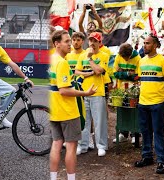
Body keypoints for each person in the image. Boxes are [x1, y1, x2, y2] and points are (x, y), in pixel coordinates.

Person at [49, 29, 96, 180]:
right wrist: (85, 93)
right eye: (67, 41)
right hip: (67, 111)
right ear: (57, 44)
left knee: (56, 144)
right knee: (71, 147)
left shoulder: (51, 59)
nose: (70, 44)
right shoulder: (62, 63)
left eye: (70, 41)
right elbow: (64, 90)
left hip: (54, 110)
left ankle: (53, 177)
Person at [134, 34, 164, 174]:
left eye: (148, 43)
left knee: (158, 131)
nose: (145, 45)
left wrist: (162, 96)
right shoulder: (142, 61)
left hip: (157, 102)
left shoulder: (163, 61)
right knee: (145, 131)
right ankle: (147, 156)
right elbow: (141, 80)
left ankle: (161, 160)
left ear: (155, 45)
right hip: (143, 102)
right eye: (144, 43)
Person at [75, 32, 109, 157]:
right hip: (83, 92)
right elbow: (77, 71)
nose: (92, 43)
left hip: (97, 92)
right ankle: (82, 145)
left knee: (99, 121)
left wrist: (90, 59)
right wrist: (89, 73)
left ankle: (101, 145)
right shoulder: (82, 55)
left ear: (100, 43)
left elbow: (99, 71)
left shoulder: (104, 55)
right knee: (84, 121)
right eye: (90, 40)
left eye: (95, 41)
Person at [112, 43, 141, 144]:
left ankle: (135, 134)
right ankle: (123, 134)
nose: (124, 59)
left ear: (130, 54)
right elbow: (115, 73)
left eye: (126, 57)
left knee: (134, 111)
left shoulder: (137, 58)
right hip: (121, 89)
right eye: (123, 57)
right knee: (122, 111)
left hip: (133, 90)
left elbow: (138, 76)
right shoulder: (118, 56)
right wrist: (128, 73)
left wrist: (122, 73)